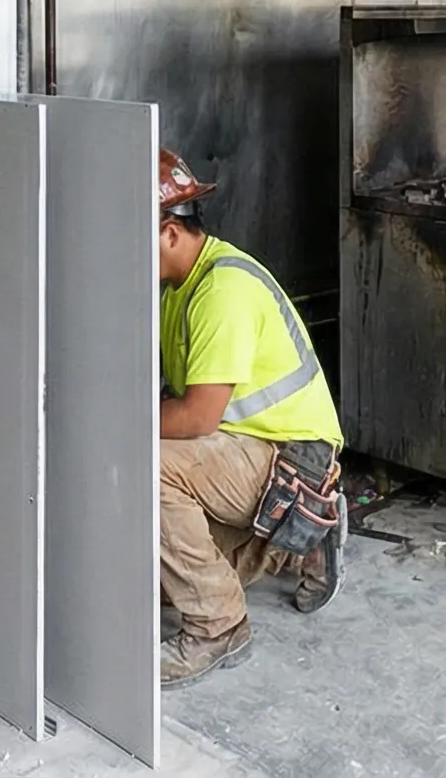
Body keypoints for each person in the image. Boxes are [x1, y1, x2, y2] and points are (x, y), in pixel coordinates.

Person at [156, 148, 346, 689]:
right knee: (158, 581)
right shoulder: (177, 288)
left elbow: (196, 417)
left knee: (146, 466)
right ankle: (297, 541)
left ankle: (219, 627)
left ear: (170, 232)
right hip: (243, 450)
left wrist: (112, 424)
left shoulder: (223, 291)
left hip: (290, 458)